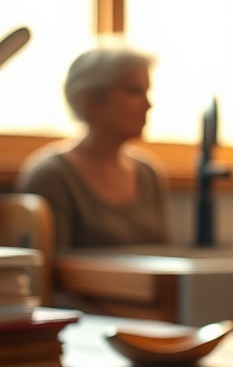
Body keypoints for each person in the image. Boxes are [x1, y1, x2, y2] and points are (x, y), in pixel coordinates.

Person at [16, 44, 171, 249]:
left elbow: (165, 255)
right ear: (91, 100)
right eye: (134, 91)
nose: (148, 104)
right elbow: (51, 264)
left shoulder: (148, 174)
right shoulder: (52, 176)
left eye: (147, 91)